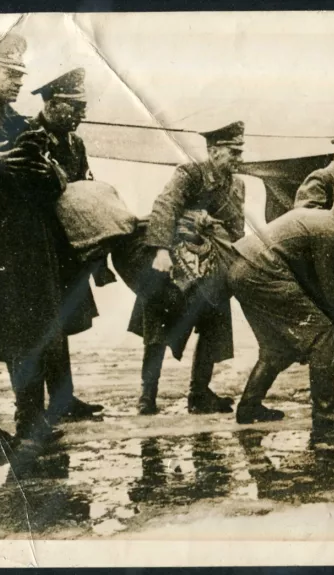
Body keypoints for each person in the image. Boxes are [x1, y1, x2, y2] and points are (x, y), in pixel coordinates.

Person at [228, 184, 334, 428]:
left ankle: (249, 406)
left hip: (242, 271)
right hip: (263, 274)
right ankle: (326, 410)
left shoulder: (318, 218)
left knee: (275, 348)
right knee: (322, 333)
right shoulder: (329, 232)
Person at [117, 121, 247, 415]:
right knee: (156, 330)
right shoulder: (190, 173)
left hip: (211, 266)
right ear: (214, 151)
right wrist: (161, 251)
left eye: (241, 151)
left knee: (213, 324)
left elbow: (236, 228)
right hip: (174, 265)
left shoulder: (237, 185)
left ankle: (199, 394)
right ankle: (147, 396)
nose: (239, 158)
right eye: (234, 152)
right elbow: (165, 205)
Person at [0, 33, 67, 450]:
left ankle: (30, 421)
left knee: (32, 331)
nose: (20, 80)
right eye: (11, 72)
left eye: (22, 73)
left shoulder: (23, 125)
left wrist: (45, 172)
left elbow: (54, 185)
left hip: (28, 244)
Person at [27, 67, 110, 422]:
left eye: (83, 107)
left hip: (66, 247)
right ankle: (34, 410)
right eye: (75, 107)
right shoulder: (28, 137)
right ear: (52, 103)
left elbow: (84, 189)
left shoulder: (76, 144)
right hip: (36, 246)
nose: (81, 115)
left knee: (59, 324)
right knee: (40, 327)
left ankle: (63, 400)